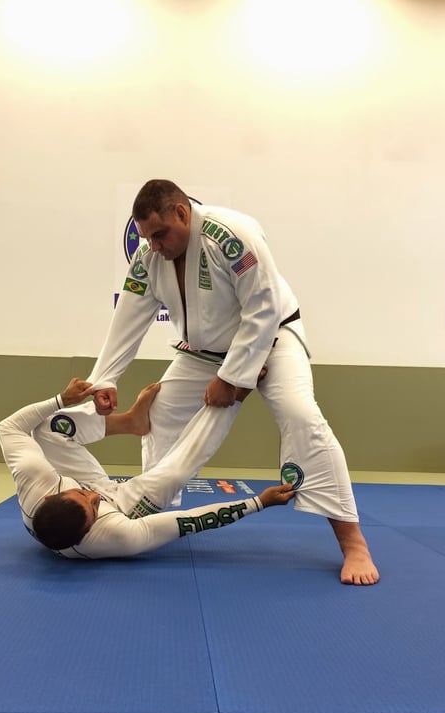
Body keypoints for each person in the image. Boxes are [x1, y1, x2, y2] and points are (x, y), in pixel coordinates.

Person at [87, 179, 379, 585]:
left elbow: (263, 306)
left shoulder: (232, 234)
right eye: (147, 237)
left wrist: (233, 377)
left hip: (273, 338)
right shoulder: (149, 256)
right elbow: (129, 317)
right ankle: (147, 516)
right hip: (204, 352)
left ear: (182, 213)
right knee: (162, 414)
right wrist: (104, 378)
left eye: (160, 234)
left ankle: (353, 543)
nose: (154, 245)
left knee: (301, 416)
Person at [0, 377, 296, 559]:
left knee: (46, 427)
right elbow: (187, 521)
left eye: (83, 496)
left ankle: (130, 422)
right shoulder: (114, 536)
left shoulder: (35, 481)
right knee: (176, 472)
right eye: (92, 506)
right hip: (122, 504)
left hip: (70, 479)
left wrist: (61, 399)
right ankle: (237, 396)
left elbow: (7, 428)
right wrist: (258, 503)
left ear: (49, 495)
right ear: (88, 532)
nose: (94, 497)